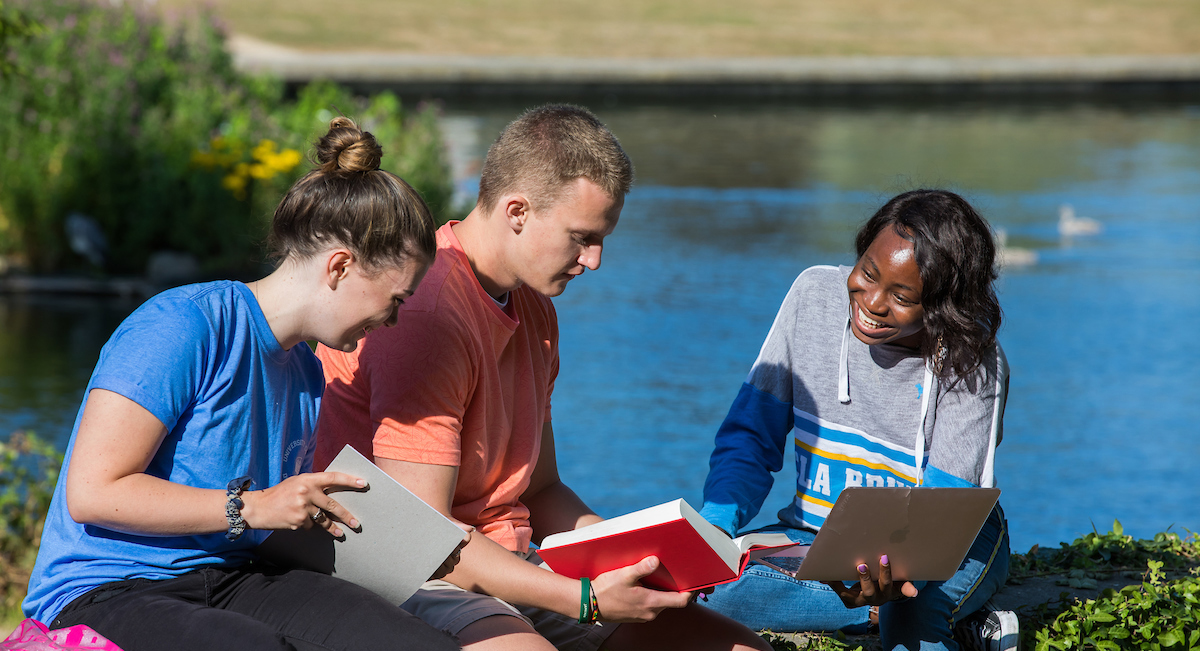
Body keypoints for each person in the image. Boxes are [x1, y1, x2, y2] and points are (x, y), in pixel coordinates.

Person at [313, 104, 771, 651]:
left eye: (602, 239)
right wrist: (587, 599)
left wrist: (642, 560)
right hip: (409, 573)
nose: (595, 260)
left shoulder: (535, 307)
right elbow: (422, 541)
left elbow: (542, 488)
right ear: (517, 211)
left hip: (508, 565)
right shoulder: (429, 313)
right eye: (582, 237)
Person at [22, 117, 462, 651]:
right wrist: (253, 506)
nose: (392, 321)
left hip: (233, 577)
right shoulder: (182, 326)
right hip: (108, 586)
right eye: (395, 301)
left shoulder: (304, 369)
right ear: (341, 266)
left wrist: (396, 546)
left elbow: (269, 524)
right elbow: (92, 493)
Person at [698, 190, 1016, 651]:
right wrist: (713, 528)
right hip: (813, 534)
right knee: (699, 587)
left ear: (942, 307)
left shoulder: (973, 363)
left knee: (907, 613)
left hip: (949, 544)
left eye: (903, 296)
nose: (872, 302)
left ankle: (905, 613)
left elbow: (945, 510)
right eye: (867, 273)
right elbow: (749, 438)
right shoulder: (812, 298)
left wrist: (897, 580)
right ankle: (898, 615)